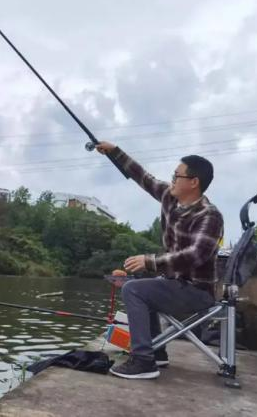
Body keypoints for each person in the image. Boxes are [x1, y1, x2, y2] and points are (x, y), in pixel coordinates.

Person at [96, 141, 224, 379]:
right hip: (174, 283)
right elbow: (142, 176)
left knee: (134, 290)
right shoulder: (169, 196)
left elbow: (195, 255)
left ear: (193, 182)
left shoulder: (210, 215)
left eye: (177, 176)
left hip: (197, 291)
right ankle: (157, 352)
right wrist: (114, 152)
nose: (172, 180)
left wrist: (149, 261)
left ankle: (143, 361)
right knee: (140, 284)